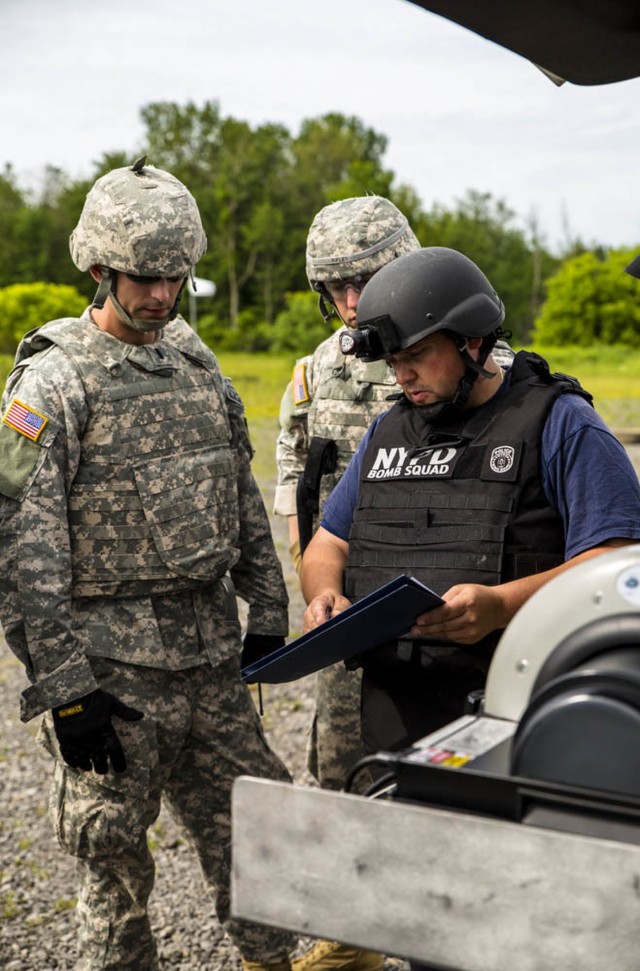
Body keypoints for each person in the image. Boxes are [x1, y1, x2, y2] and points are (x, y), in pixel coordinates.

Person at [0, 157, 325, 971]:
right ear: (100, 269)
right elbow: (21, 548)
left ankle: (268, 960)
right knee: (112, 860)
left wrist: (268, 608)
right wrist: (68, 694)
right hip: (114, 675)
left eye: (175, 277)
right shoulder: (53, 382)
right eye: (144, 279)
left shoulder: (193, 360)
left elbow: (238, 486)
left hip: (210, 656)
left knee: (263, 833)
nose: (161, 296)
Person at [300, 246, 640, 771]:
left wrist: (501, 605)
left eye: (415, 357)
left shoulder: (561, 423)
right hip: (394, 719)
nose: (402, 377)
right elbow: (330, 542)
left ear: (472, 342)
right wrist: (323, 595)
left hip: (517, 718)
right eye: (393, 363)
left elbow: (618, 563)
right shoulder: (386, 432)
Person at [274, 196, 422, 803]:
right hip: (349, 604)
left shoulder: (475, 359)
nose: (352, 300)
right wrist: (315, 585)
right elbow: (296, 479)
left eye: (364, 280)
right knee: (343, 772)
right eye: (337, 286)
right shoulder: (318, 372)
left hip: (452, 597)